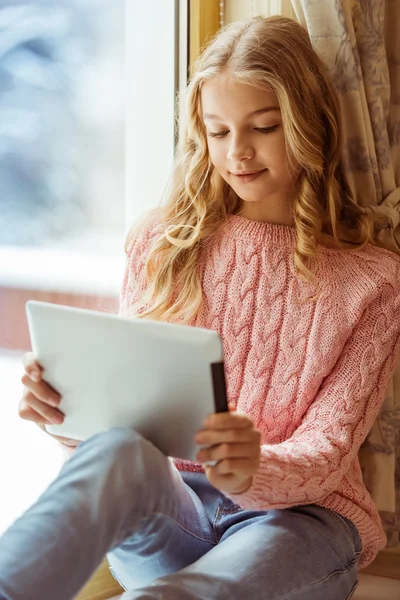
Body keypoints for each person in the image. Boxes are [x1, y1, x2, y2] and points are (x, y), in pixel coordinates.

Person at [1, 14, 400, 600]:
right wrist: (67, 410)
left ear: (307, 124)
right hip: (176, 509)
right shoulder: (162, 244)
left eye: (262, 127)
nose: (237, 152)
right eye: (217, 132)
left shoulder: (374, 281)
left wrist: (252, 467)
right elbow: (127, 423)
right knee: (115, 451)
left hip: (301, 521)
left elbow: (329, 447)